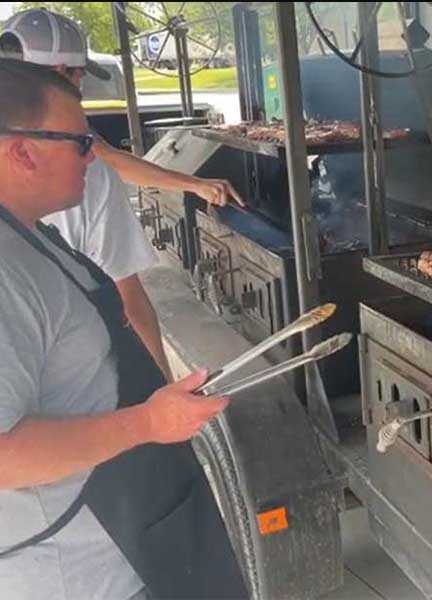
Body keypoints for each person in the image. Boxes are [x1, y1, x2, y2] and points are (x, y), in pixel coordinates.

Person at [0, 59, 248, 599]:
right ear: (22, 151)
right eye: (81, 143)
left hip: (125, 537)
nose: (94, 157)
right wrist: (148, 423)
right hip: (73, 573)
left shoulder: (26, 234)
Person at [0, 8, 246, 381]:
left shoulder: (62, 148)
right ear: (56, 73)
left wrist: (193, 184)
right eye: (77, 72)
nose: (81, 82)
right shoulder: (88, 175)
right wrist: (163, 389)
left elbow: (108, 157)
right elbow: (129, 298)